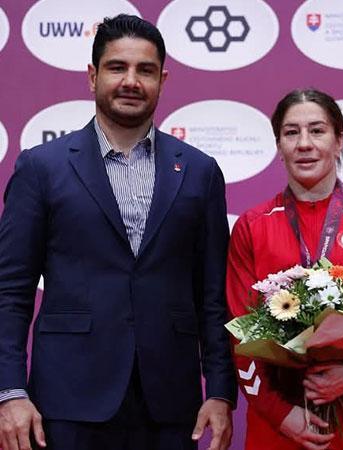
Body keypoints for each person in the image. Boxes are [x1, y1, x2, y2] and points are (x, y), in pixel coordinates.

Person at [0, 14, 237, 450]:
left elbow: (212, 296)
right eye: (117, 67)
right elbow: (10, 292)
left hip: (170, 405)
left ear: (162, 80)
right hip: (67, 402)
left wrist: (220, 390)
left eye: (145, 70)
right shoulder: (41, 167)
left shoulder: (200, 171)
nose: (131, 81)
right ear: (93, 76)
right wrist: (10, 391)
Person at [226, 88, 343, 450]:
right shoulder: (252, 225)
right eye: (291, 132)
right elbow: (240, 334)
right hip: (278, 432)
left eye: (317, 130)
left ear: (339, 140)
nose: (304, 143)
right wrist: (280, 413)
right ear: (279, 145)